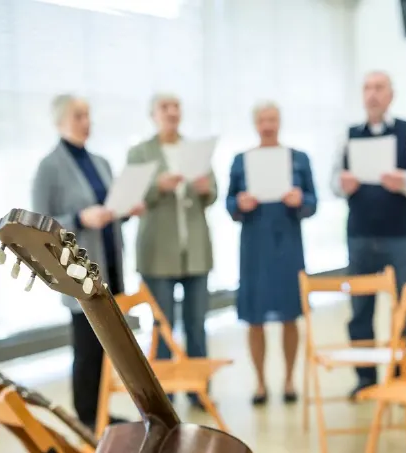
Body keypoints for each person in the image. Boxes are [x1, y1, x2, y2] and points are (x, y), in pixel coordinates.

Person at [31, 94, 144, 430]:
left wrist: (124, 212)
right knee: (88, 349)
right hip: (78, 270)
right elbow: (38, 224)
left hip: (110, 264)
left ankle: (102, 415)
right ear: (60, 121)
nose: (86, 121)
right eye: (79, 116)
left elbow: (108, 213)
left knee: (109, 347)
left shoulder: (100, 162)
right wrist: (80, 218)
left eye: (88, 115)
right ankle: (87, 419)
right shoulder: (49, 167)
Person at [330, 71, 406, 397]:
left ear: (391, 95)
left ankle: (404, 374)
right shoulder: (348, 135)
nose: (372, 94)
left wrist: (404, 181)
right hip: (360, 236)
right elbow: (332, 181)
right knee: (360, 310)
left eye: (379, 88)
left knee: (405, 308)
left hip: (401, 237)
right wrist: (341, 184)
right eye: (367, 88)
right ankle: (365, 379)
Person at [127, 93, 217, 409]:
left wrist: (207, 189)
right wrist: (157, 187)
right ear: (153, 114)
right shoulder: (140, 153)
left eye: (176, 106)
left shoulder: (196, 150)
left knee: (196, 323)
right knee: (161, 327)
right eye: (165, 108)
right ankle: (162, 394)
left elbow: (213, 192)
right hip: (157, 253)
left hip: (195, 250)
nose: (172, 112)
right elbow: (129, 197)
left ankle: (198, 389)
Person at [226, 101, 317, 406]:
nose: (267, 125)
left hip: (288, 243)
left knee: (291, 314)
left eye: (272, 119)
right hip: (255, 245)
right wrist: (240, 203)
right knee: (255, 316)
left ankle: (290, 379)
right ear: (255, 123)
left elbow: (313, 202)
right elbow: (228, 203)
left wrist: (299, 199)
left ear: (280, 122)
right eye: (262, 119)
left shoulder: (299, 159)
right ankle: (260, 382)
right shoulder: (241, 161)